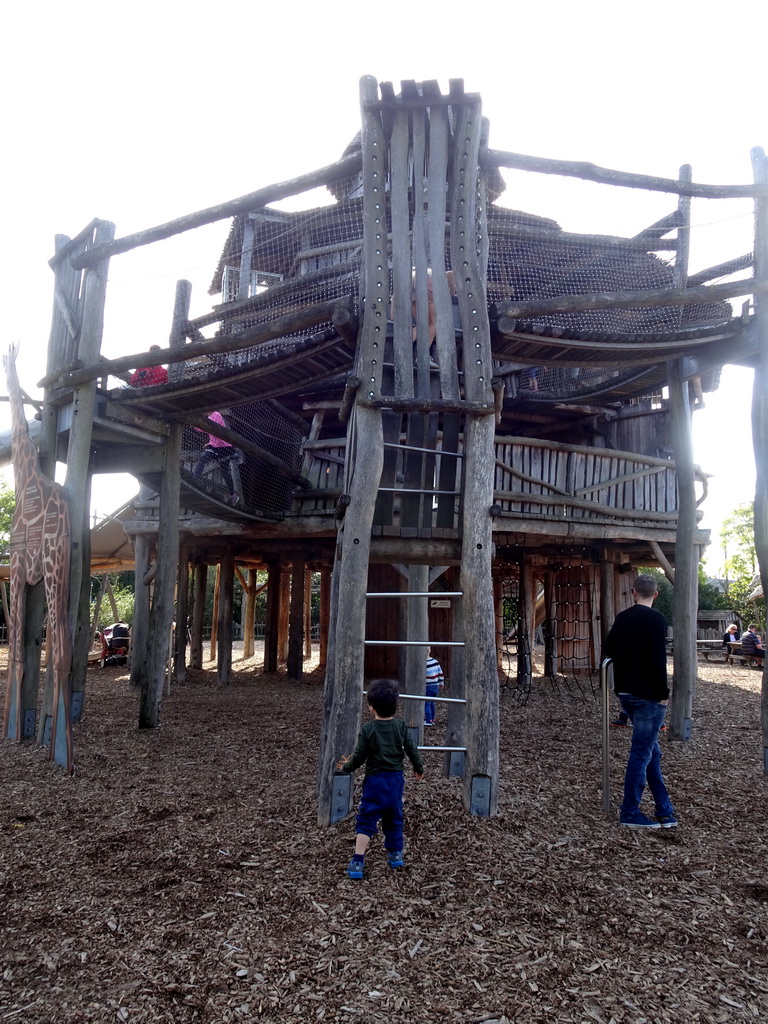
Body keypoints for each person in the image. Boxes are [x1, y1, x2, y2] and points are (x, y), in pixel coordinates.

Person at [603, 573, 677, 830]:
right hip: (648, 695)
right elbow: (658, 659)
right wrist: (663, 694)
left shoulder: (623, 618)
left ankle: (664, 810)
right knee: (641, 753)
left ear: (633, 593)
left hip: (626, 693)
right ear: (655, 594)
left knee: (651, 751)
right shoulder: (656, 619)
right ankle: (630, 811)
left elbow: (609, 650)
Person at [337, 678, 424, 879]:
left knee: (367, 818)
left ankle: (358, 860)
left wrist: (346, 767)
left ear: (371, 707)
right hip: (395, 781)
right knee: (394, 817)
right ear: (395, 705)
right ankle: (395, 854)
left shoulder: (368, 730)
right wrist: (418, 767)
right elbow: (412, 749)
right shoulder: (401, 727)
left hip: (375, 781)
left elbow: (359, 756)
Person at [193, 411, 239, 504]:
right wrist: (194, 422)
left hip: (223, 447)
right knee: (203, 459)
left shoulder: (216, 414)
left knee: (225, 472)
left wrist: (201, 420)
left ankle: (232, 495)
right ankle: (194, 480)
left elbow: (212, 427)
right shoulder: (208, 417)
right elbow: (201, 429)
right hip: (213, 446)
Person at [424, 647, 444, 727]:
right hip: (435, 686)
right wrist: (441, 682)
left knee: (426, 703)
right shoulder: (435, 661)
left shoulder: (424, 663)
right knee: (432, 702)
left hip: (428, 686)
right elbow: (440, 673)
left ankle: (428, 720)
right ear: (430, 651)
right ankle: (432, 718)